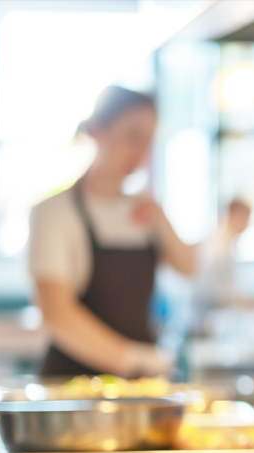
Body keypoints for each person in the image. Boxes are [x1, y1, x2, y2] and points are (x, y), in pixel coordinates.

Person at [28, 85, 197, 378]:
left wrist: (163, 221)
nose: (141, 152)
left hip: (138, 387)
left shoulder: (144, 211)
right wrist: (134, 358)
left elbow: (188, 267)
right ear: (98, 131)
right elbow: (56, 314)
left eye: (149, 140)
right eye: (133, 136)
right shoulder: (53, 212)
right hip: (73, 385)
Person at [194, 199, 254, 315]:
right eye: (245, 218)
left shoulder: (223, 244)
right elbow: (227, 297)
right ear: (233, 215)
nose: (247, 225)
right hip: (210, 315)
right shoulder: (219, 249)